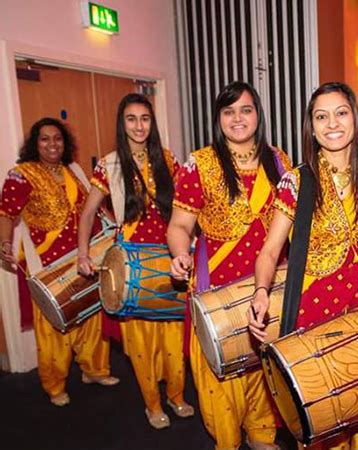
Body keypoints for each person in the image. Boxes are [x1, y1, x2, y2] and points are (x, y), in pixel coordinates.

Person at [248, 82, 358, 450]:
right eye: (321, 116)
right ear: (311, 127)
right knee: (330, 418)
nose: (332, 124)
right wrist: (261, 291)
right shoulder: (296, 182)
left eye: (341, 113)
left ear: (355, 121)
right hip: (319, 320)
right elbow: (269, 251)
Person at [168, 81, 292, 450]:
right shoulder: (200, 164)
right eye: (229, 111)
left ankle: (262, 432)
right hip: (218, 286)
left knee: (265, 361)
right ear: (218, 117)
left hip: (268, 280)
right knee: (221, 375)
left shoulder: (278, 160)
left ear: (258, 115)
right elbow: (179, 225)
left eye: (246, 109)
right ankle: (228, 439)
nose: (238, 118)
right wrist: (179, 253)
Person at [77, 93, 193, 429]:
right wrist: (83, 254)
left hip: (169, 258)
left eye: (145, 118)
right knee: (141, 345)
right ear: (121, 123)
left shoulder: (168, 160)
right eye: (131, 118)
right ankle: (152, 404)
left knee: (174, 339)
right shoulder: (109, 165)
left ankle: (176, 395)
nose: (139, 126)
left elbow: (187, 206)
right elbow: (86, 214)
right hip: (131, 266)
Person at [0, 117, 119, 407]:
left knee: (91, 316)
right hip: (47, 265)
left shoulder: (74, 170)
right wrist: (4, 241)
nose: (52, 144)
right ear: (35, 143)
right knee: (53, 327)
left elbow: (94, 207)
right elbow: (6, 213)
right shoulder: (22, 174)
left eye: (58, 138)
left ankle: (94, 370)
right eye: (45, 139)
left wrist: (116, 228)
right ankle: (54, 385)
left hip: (84, 256)